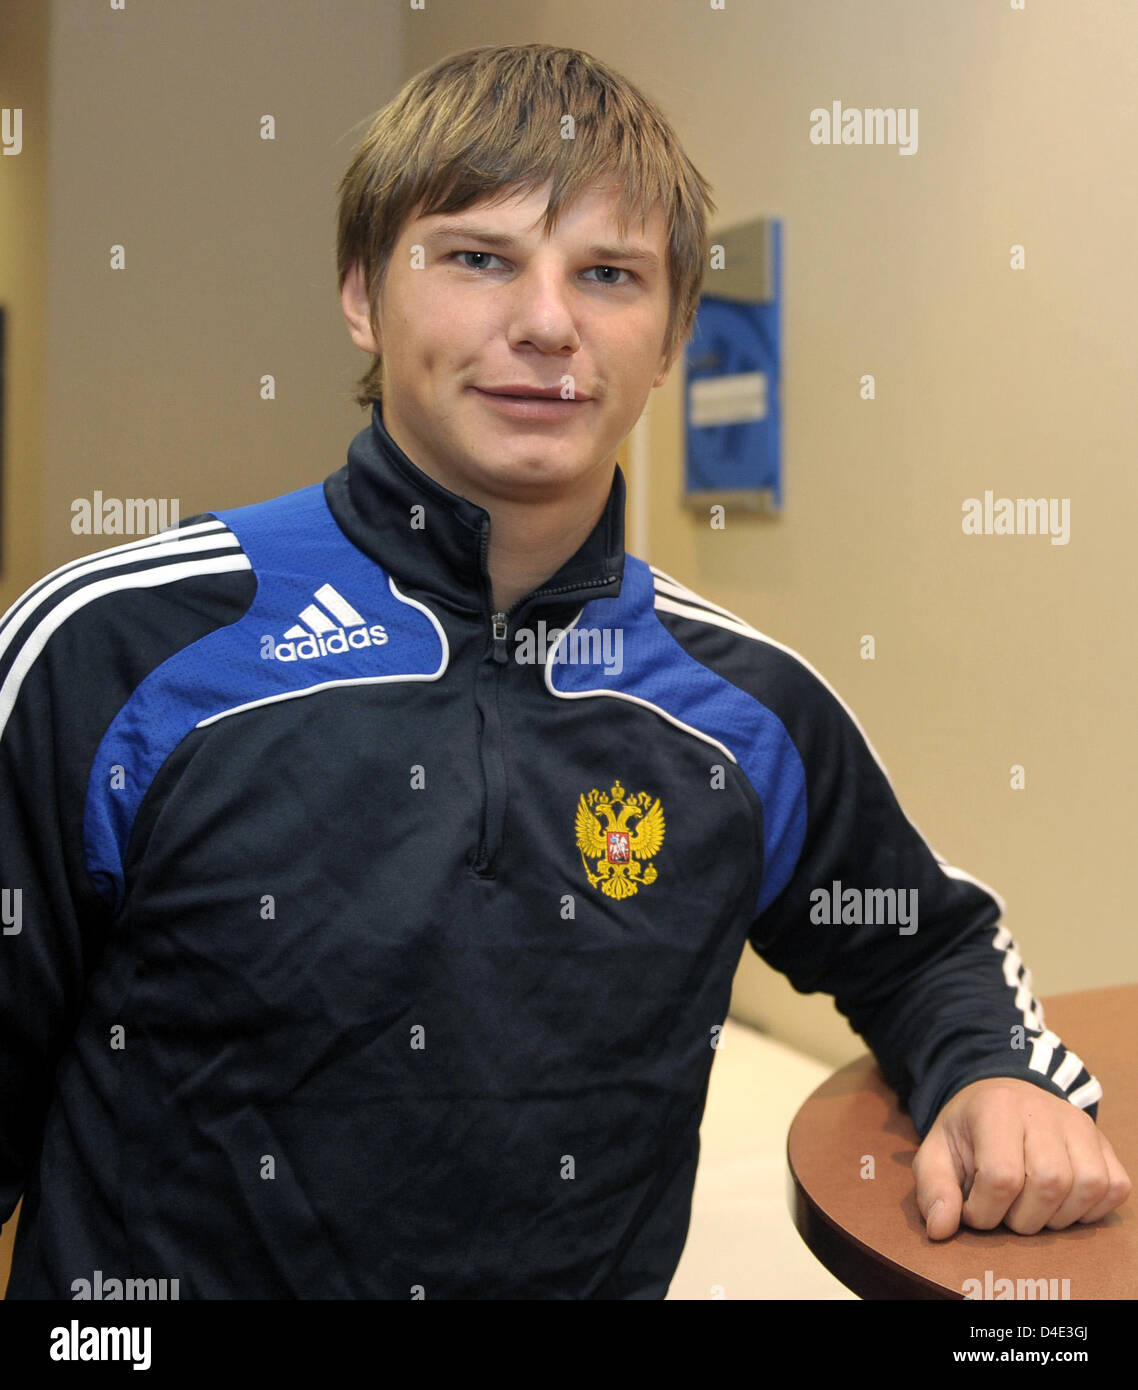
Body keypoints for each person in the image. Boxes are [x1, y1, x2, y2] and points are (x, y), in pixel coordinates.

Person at [0, 43, 1127, 1301]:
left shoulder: (746, 709)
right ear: (365, 296)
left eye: (609, 274)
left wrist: (992, 1075)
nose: (546, 324)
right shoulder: (113, 651)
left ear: (673, 336)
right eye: (477, 258)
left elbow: (924, 944)